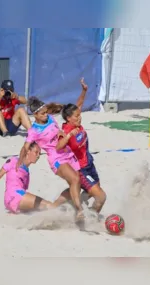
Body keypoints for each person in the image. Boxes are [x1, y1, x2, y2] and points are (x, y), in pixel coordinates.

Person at [16, 97, 84, 221]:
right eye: (42, 113)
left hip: (68, 153)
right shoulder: (34, 131)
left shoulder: (51, 118)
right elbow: (25, 147)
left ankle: (54, 206)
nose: (46, 115)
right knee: (75, 179)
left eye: (46, 112)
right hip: (56, 158)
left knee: (76, 185)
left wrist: (60, 132)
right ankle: (79, 210)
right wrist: (20, 163)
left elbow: (70, 110)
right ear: (35, 114)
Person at [58, 78, 107, 214]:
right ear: (68, 118)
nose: (80, 118)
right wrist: (66, 137)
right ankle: (90, 217)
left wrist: (84, 91)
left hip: (89, 162)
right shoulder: (66, 131)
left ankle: (77, 206)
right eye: (77, 116)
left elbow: (78, 104)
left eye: (80, 115)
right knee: (101, 197)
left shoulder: (76, 123)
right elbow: (59, 146)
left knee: (93, 192)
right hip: (80, 169)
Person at [0, 142, 54, 213]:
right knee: (47, 205)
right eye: (36, 152)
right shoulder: (13, 161)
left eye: (39, 154)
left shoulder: (26, 171)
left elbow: (23, 190)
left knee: (43, 207)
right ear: (28, 151)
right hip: (14, 196)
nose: (38, 156)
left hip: (14, 201)